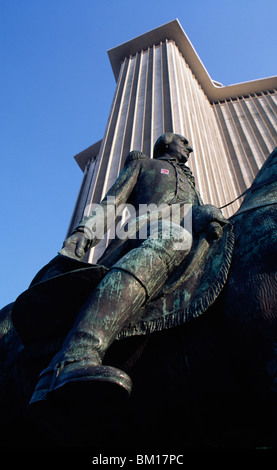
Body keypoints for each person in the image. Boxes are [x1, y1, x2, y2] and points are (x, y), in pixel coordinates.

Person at [29, 132, 228, 408]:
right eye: (183, 141)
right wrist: (82, 235)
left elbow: (191, 214)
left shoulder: (191, 183)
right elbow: (111, 205)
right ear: (166, 142)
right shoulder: (144, 165)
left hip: (188, 235)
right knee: (175, 237)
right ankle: (75, 355)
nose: (190, 147)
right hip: (146, 231)